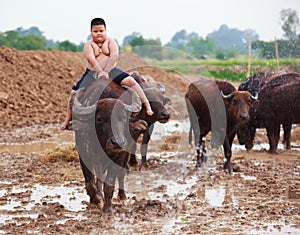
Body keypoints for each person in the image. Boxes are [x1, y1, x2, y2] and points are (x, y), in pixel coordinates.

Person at [61, 18, 153, 130]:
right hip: (92, 72)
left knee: (131, 81)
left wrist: (106, 71)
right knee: (74, 92)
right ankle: (67, 120)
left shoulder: (110, 41)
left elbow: (114, 55)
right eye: (95, 31)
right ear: (91, 32)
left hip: (112, 70)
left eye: (101, 31)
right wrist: (100, 72)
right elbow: (91, 58)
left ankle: (147, 105)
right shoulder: (88, 44)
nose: (99, 33)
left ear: (105, 31)